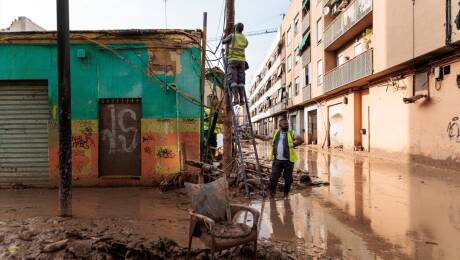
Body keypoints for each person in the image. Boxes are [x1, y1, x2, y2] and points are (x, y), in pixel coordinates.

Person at [267, 117, 304, 198]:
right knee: (273, 177)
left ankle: (286, 194)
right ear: (280, 125)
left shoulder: (291, 132)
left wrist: (293, 144)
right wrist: (254, 135)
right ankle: (272, 193)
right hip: (277, 160)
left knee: (288, 178)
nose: (287, 125)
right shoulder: (275, 132)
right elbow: (265, 138)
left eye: (287, 124)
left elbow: (301, 140)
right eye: (285, 124)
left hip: (288, 161)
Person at [222, 22, 248, 106]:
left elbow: (223, 41)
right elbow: (246, 44)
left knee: (233, 80)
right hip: (242, 62)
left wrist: (225, 35)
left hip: (232, 60)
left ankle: (236, 99)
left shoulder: (232, 36)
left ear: (236, 28)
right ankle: (242, 100)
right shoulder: (244, 38)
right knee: (241, 81)